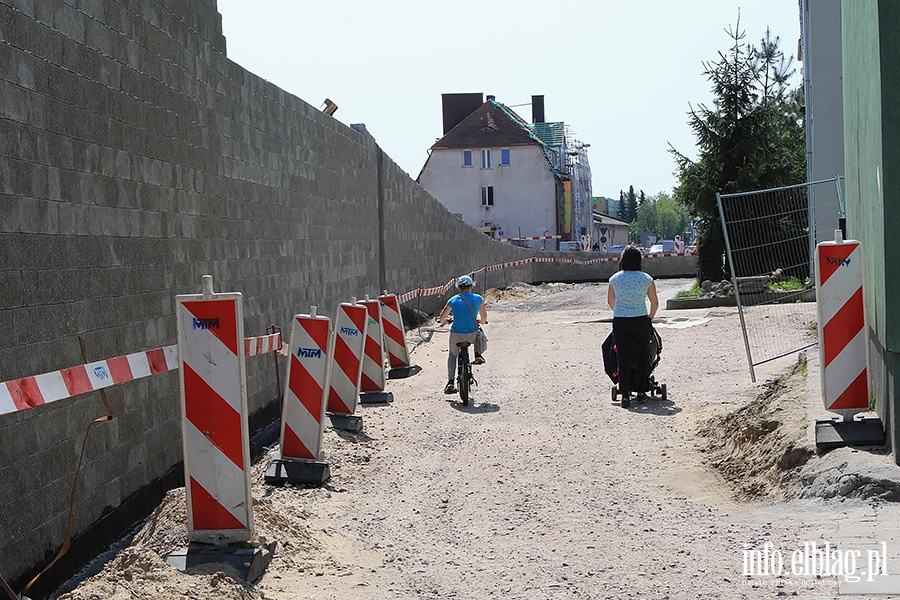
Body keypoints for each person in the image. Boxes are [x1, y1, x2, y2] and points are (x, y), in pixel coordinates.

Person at [607, 244, 659, 408]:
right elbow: (654, 302)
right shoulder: (646, 278)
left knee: (623, 355)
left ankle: (625, 395)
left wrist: (620, 311)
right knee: (643, 354)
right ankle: (642, 392)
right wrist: (650, 317)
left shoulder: (615, 279)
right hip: (640, 321)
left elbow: (610, 301)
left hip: (621, 321)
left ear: (622, 260)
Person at [439, 275, 488, 394]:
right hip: (471, 335)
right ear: (471, 286)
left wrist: (445, 321)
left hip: (456, 335)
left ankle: (450, 382)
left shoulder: (453, 300)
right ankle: (477, 354)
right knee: (478, 333)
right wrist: (481, 321)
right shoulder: (478, 298)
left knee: (452, 355)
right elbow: (484, 316)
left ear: (459, 288)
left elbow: (442, 317)